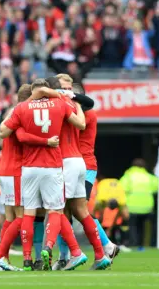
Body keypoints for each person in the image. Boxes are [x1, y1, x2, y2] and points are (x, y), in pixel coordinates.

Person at [0, 78, 88, 271]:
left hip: (24, 169)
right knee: (55, 211)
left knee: (22, 216)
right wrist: (47, 141)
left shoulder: (19, 110)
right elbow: (81, 124)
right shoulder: (59, 104)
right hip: (49, 166)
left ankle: (27, 259)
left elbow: (4, 132)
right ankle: (50, 249)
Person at [36, 76, 110, 271]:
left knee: (57, 210)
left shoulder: (54, 106)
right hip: (79, 162)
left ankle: (71, 253)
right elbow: (83, 120)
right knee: (80, 211)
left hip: (65, 161)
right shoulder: (73, 105)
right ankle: (101, 255)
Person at [0, 84, 60, 271]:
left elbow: (3, 131)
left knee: (10, 218)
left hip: (5, 168)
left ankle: (4, 260)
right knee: (22, 217)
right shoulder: (23, 113)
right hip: (16, 169)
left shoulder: (14, 111)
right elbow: (8, 133)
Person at [74, 81, 123, 257]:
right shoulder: (82, 112)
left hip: (84, 166)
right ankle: (104, 247)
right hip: (78, 165)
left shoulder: (86, 114)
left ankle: (104, 247)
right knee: (72, 210)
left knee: (78, 210)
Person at [119, 158, 158, 251]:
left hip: (132, 206)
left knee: (132, 227)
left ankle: (133, 245)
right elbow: (156, 187)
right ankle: (141, 246)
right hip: (147, 207)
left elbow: (120, 188)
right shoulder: (149, 177)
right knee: (142, 227)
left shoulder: (128, 176)